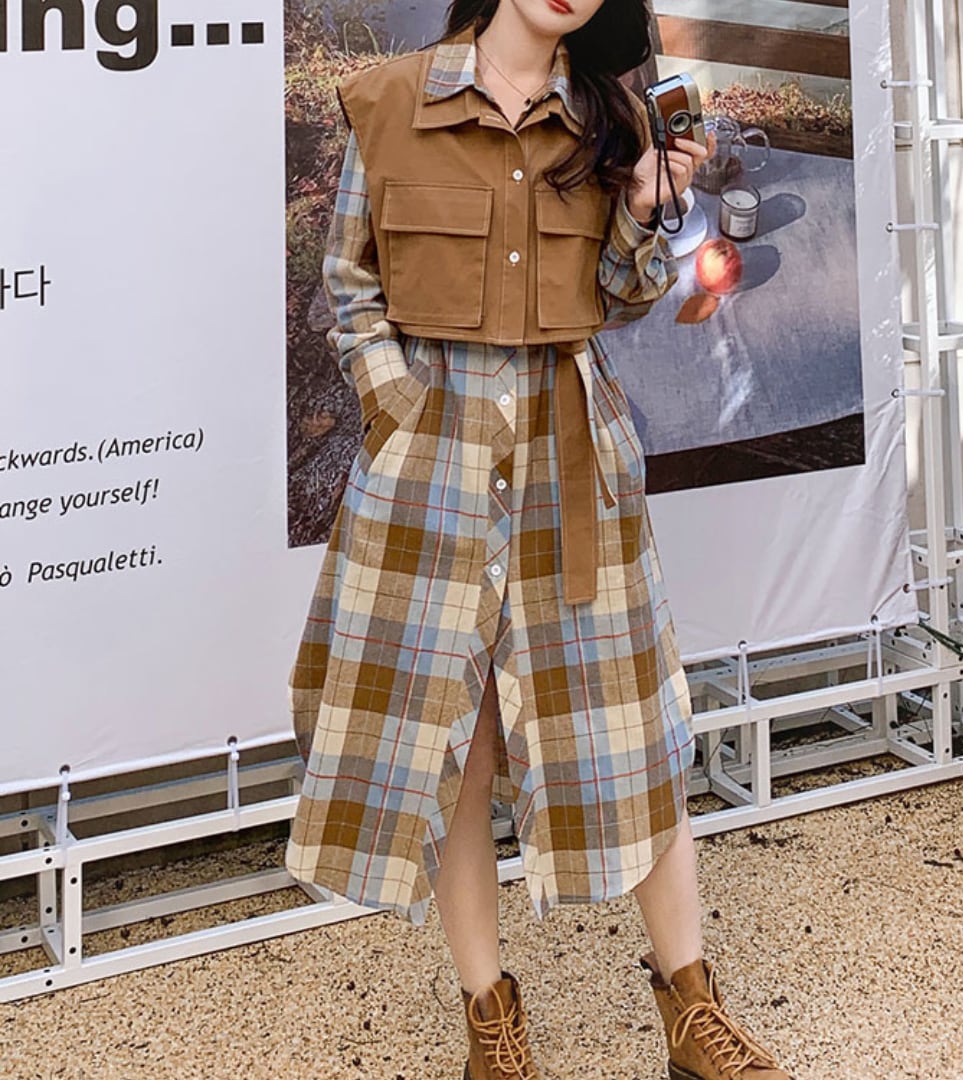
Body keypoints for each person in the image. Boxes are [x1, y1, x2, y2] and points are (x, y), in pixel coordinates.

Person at [286, 1, 794, 1077]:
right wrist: (400, 411)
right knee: (456, 749)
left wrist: (647, 208)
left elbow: (624, 298)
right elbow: (351, 286)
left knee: (632, 731)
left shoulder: (609, 118)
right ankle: (490, 1019)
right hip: (431, 465)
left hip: (573, 454)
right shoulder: (390, 100)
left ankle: (691, 1010)